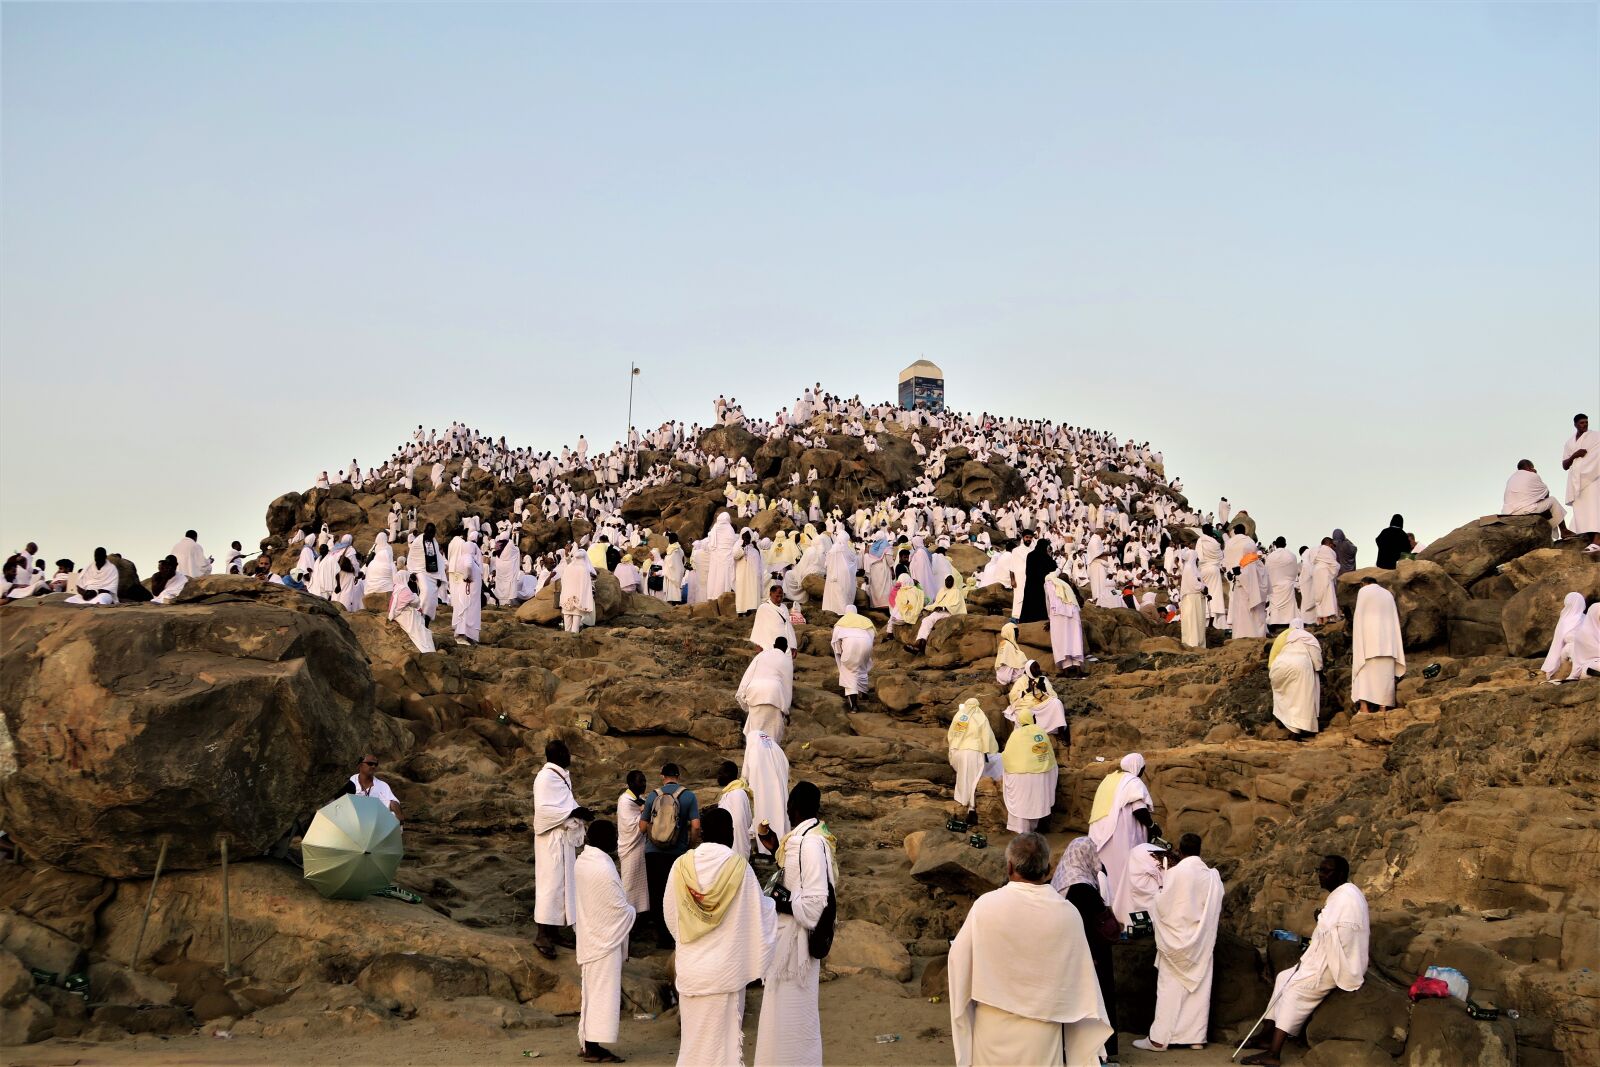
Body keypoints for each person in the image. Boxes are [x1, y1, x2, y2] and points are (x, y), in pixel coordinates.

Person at [947, 833, 1114, 1067]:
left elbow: (958, 961)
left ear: (1009, 866)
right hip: (1043, 1031)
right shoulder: (1066, 913)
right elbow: (1081, 978)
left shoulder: (985, 906)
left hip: (993, 1027)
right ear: (1048, 868)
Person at [664, 807, 776, 1067]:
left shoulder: (681, 866)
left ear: (702, 833)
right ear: (731, 833)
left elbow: (671, 915)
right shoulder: (739, 868)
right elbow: (759, 915)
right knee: (722, 1050)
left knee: (693, 1047)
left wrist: (688, 943)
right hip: (725, 974)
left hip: (692, 970)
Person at [1243, 855, 1369, 1067]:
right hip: (1323, 956)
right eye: (1319, 869)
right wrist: (1322, 919)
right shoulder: (1341, 895)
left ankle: (1274, 1053)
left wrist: (1321, 918)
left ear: (1339, 874)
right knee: (1284, 977)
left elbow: (1344, 937)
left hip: (1335, 962)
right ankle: (1266, 1034)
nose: (1320, 874)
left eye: (1326, 871)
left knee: (1295, 989)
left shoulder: (1347, 897)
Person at [753, 782, 835, 1067]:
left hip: (795, 945)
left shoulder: (809, 843)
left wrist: (778, 901)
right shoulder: (811, 837)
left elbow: (814, 905)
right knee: (785, 1016)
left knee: (792, 1018)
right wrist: (776, 846)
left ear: (792, 808)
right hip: (792, 942)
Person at [1135, 833, 1223, 1053]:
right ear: (1199, 850)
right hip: (1200, 942)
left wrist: (1156, 896)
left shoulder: (1175, 873)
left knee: (1169, 989)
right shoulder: (1212, 876)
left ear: (1181, 851)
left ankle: (1158, 1040)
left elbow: (1162, 904)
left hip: (1175, 941)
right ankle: (1196, 1038)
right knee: (1198, 990)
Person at [1049, 837, 1120, 1067]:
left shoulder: (1058, 883)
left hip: (1067, 956)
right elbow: (1100, 923)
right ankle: (1099, 1053)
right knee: (1094, 1005)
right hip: (1092, 957)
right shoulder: (1084, 889)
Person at [575, 819, 634, 1065]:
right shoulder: (603, 868)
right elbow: (618, 909)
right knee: (602, 994)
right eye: (614, 836)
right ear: (604, 840)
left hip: (590, 935)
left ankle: (588, 1041)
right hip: (603, 940)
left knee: (591, 992)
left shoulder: (583, 861)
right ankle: (593, 1048)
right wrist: (631, 911)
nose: (616, 841)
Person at [533, 739, 593, 959]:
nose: (570, 756)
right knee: (549, 885)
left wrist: (581, 811)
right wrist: (573, 814)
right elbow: (543, 812)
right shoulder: (545, 778)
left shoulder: (560, 777)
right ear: (559, 755)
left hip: (563, 840)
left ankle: (555, 931)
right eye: (567, 752)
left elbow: (566, 804)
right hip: (550, 842)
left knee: (562, 885)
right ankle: (541, 935)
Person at [1088, 753, 1159, 926]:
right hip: (1120, 835)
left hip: (1100, 834)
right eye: (1142, 768)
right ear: (1137, 767)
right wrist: (1152, 827)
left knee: (1107, 877)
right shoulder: (1132, 782)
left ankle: (1107, 916)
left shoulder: (1109, 780)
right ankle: (1125, 918)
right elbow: (1139, 810)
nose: (1142, 772)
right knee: (1124, 875)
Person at [641, 763, 701, 950]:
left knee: (657, 894)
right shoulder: (689, 796)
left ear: (662, 775)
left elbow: (642, 827)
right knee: (676, 894)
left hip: (653, 853)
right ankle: (676, 935)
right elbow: (696, 826)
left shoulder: (653, 795)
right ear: (678, 776)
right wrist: (689, 846)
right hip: (677, 853)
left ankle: (661, 937)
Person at [1351, 578, 1405, 713]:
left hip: (1369, 643)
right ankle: (1383, 708)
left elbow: (1359, 616)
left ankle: (1364, 708)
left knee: (1364, 675)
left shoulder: (1364, 591)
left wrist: (1358, 641)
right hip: (1388, 643)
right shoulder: (1388, 594)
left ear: (1364, 584)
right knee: (1385, 677)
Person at [1000, 708, 1057, 834]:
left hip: (1021, 778)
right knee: (1034, 803)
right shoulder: (1041, 731)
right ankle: (1033, 829)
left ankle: (1022, 832)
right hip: (1040, 776)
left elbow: (1007, 756)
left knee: (1022, 805)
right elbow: (1050, 758)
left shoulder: (1016, 734)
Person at [948, 698, 999, 831]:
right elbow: (987, 736)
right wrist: (991, 750)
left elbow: (952, 734)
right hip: (974, 752)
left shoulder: (959, 715)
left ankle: (962, 803)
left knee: (962, 778)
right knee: (974, 780)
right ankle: (972, 809)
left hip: (959, 751)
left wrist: (953, 748)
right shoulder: (980, 716)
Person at [1268, 620, 1323, 737]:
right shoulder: (1308, 637)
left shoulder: (1283, 636)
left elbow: (1272, 657)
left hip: (1279, 665)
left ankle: (1284, 721)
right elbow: (1317, 661)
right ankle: (1297, 730)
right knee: (1301, 697)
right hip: (1299, 664)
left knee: (1285, 695)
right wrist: (1320, 671)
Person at [736, 637, 794, 745]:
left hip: (755, 691)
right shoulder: (786, 660)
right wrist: (786, 709)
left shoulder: (762, 655)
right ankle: (768, 755)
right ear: (786, 648)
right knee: (771, 733)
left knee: (755, 730)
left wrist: (744, 694)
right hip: (774, 694)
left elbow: (749, 674)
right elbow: (787, 685)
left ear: (774, 645)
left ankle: (754, 753)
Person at [743, 730, 791, 856]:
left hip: (761, 790)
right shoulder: (776, 748)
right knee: (779, 814)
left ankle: (763, 848)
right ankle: (780, 846)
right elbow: (786, 767)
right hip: (779, 791)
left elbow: (746, 774)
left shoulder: (754, 749)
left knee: (762, 813)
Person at [1501, 460, 1572, 540]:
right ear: (1529, 467)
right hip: (1524, 511)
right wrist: (1534, 474)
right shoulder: (1532, 475)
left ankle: (1548, 532)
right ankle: (1564, 531)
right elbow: (1546, 494)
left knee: (1539, 506)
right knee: (1552, 500)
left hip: (1508, 513)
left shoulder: (1511, 478)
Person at [1561, 413, 1600, 551]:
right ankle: (1592, 542)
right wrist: (1575, 455)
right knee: (1582, 510)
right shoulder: (1569, 442)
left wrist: (1586, 469)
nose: (1585, 425)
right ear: (1575, 424)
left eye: (1586, 422)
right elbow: (1565, 465)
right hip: (1575, 480)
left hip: (1593, 477)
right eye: (1582, 423)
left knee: (1594, 508)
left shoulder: (1595, 436)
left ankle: (1597, 541)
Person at [616, 770, 649, 916]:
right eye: (640, 781)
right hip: (629, 846)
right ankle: (627, 915)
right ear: (630, 784)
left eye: (644, 781)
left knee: (641, 883)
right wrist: (644, 813)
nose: (643, 784)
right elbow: (629, 826)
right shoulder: (625, 801)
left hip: (640, 847)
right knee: (629, 883)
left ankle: (641, 913)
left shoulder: (639, 799)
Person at [829, 605, 875, 710]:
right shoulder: (865, 620)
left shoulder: (841, 622)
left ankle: (854, 706)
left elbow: (835, 641)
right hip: (866, 643)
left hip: (850, 645)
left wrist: (840, 653)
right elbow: (871, 635)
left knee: (848, 672)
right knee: (862, 668)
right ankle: (864, 694)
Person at [1043, 567, 1085, 672]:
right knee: (1075, 639)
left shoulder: (1050, 584)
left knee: (1061, 640)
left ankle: (1066, 669)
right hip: (1072, 614)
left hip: (1058, 615)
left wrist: (1050, 618)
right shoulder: (1068, 587)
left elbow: (1049, 603)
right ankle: (1078, 667)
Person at [1541, 593, 1589, 680]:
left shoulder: (1586, 618)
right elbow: (1557, 644)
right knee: (1572, 647)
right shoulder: (1564, 620)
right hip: (1570, 653)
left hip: (1587, 650)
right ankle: (1574, 673)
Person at [715, 760, 754, 860]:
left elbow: (739, 823)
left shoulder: (737, 793)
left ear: (727, 774)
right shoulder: (733, 792)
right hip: (731, 848)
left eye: (720, 773)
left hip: (736, 848)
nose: (717, 777)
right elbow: (748, 820)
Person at [349, 754, 401, 820]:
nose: (373, 766)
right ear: (360, 765)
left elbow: (393, 802)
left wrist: (399, 815)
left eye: (375, 764)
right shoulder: (350, 782)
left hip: (375, 823)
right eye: (370, 763)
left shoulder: (382, 785)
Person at [1263, 537, 1299, 628]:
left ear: (1275, 545)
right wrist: (1289, 580)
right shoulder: (1292, 556)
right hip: (1288, 585)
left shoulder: (1270, 557)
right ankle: (1289, 622)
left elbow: (1267, 571)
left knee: (1275, 608)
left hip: (1274, 585)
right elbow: (1295, 572)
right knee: (1289, 609)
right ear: (1285, 544)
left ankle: (1275, 622)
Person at [749, 584, 796, 652]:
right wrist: (758, 645)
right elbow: (758, 627)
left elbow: (789, 627)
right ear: (770, 594)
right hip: (768, 644)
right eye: (777, 596)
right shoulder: (763, 608)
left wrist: (793, 645)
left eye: (781, 596)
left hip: (785, 645)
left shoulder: (784, 607)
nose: (779, 599)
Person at [561, 548, 596, 634]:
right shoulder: (584, 570)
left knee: (567, 627)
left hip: (567, 599)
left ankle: (565, 641)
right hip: (578, 600)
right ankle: (573, 643)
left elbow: (563, 582)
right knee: (575, 629)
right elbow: (586, 586)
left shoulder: (568, 568)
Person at [994, 622, 1030, 686]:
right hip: (1006, 676)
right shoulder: (1008, 644)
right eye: (1015, 633)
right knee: (1022, 660)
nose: (1018, 635)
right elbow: (1013, 662)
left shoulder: (1004, 642)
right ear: (1010, 633)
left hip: (1000, 675)